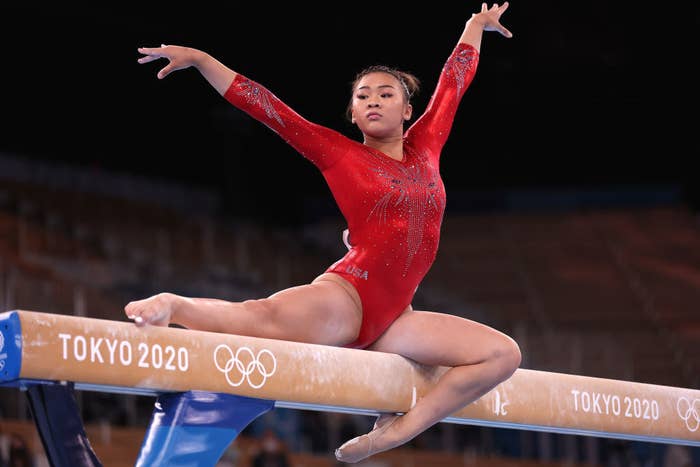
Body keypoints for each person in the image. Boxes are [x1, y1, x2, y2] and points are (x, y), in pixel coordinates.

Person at [127, 2, 520, 464]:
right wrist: (201, 60)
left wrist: (474, 25)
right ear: (352, 115)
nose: (373, 100)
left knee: (502, 355)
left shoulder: (428, 143)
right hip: (350, 296)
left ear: (408, 109)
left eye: (385, 94)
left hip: (396, 318)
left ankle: (395, 432)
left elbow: (454, 83)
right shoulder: (338, 154)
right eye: (363, 96)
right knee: (263, 320)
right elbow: (270, 109)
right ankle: (176, 305)